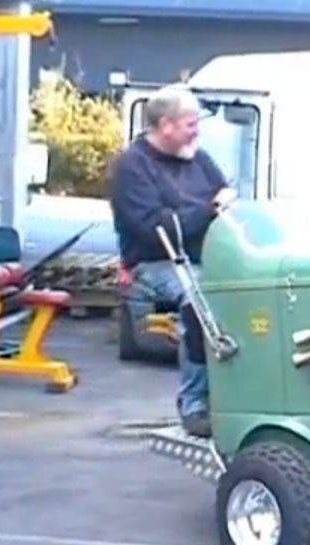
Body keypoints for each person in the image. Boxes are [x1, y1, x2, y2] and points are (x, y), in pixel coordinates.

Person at [110, 84, 236, 438]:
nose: (196, 131)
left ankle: (240, 397)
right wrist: (209, 209)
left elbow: (224, 194)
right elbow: (154, 229)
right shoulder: (132, 167)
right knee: (201, 301)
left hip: (205, 259)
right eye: (189, 123)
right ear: (165, 125)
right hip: (153, 264)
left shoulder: (198, 159)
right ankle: (194, 404)